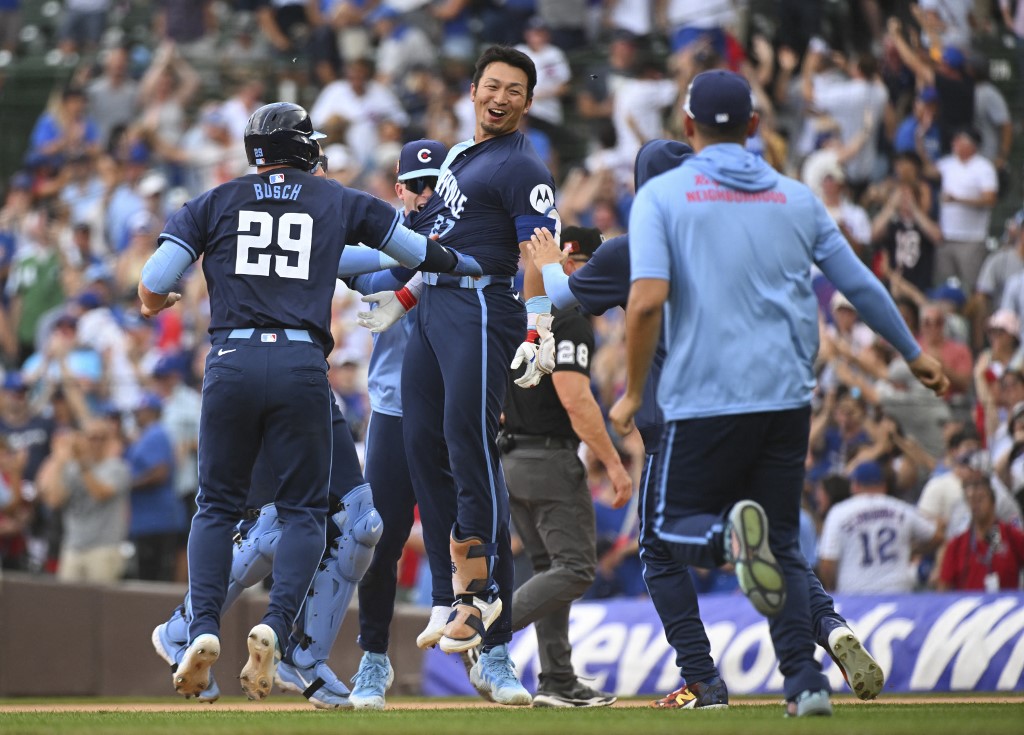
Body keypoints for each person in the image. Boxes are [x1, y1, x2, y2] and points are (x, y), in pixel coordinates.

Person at [607, 70, 948, 717]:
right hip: (788, 399)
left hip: (704, 398)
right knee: (785, 547)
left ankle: (729, 546)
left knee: (667, 532)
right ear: (756, 126)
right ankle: (806, 684)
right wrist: (913, 352)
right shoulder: (795, 197)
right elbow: (862, 282)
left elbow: (647, 300)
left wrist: (628, 391)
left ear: (687, 127)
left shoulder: (660, 197)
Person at [137, 100, 483, 701]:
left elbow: (154, 277)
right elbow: (413, 252)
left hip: (230, 360)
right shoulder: (335, 200)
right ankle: (266, 625)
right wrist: (471, 264)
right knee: (297, 514)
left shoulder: (215, 200)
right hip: (299, 365)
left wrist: (152, 304)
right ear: (304, 148)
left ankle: (204, 629)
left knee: (218, 508)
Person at [528, 140, 886, 707]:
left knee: (661, 550)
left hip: (681, 423)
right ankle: (832, 627)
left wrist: (547, 260)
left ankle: (702, 678)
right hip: (752, 409)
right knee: (777, 543)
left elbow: (559, 298)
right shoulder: (733, 242)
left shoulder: (635, 247)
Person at [396, 45, 559, 707]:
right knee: (424, 449)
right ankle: (448, 593)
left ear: (527, 100)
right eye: (492, 85)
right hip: (434, 304)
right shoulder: (461, 158)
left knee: (471, 448)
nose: (500, 97)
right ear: (473, 89)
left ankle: (482, 598)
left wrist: (541, 324)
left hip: (483, 302)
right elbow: (429, 238)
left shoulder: (524, 165)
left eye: (514, 90)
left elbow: (539, 247)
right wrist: (393, 293)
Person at [501, 225, 628, 709]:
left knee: (547, 569)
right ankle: (485, 631)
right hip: (549, 457)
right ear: (576, 263)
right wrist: (614, 464)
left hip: (510, 455)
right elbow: (576, 400)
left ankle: (556, 679)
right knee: (574, 569)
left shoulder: (518, 310)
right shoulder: (569, 312)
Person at [817, 461, 943, 594]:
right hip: (897, 591)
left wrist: (832, 588)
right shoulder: (900, 508)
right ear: (883, 486)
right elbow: (937, 536)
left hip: (855, 594)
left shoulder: (839, 512)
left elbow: (827, 563)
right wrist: (911, 550)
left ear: (855, 486)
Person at [938, 474, 1024, 591]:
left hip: (1003, 605)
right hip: (970, 605)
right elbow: (944, 587)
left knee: (1000, 559)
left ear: (993, 502)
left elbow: (998, 558)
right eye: (971, 500)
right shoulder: (958, 544)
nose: (975, 505)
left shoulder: (1008, 535)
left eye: (980, 499)